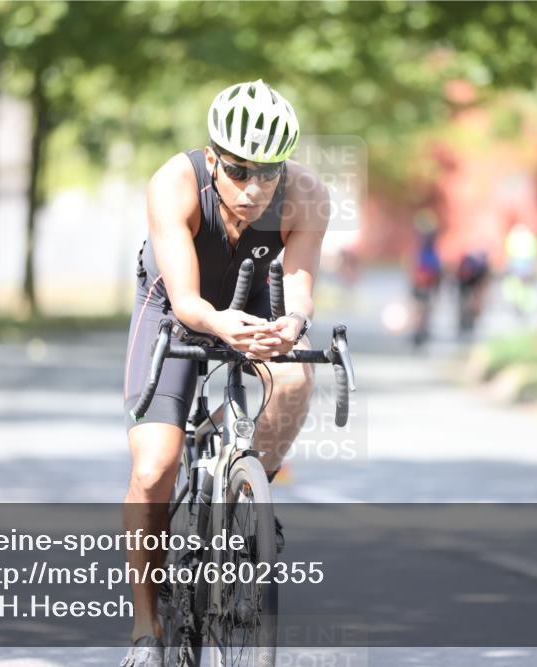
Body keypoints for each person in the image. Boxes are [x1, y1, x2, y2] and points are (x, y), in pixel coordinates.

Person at [120, 79, 329, 666]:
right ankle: (146, 625)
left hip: (251, 296)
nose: (253, 188)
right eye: (238, 170)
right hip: (176, 305)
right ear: (213, 158)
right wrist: (218, 325)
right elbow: (187, 300)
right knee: (155, 463)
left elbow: (300, 291)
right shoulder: (174, 183)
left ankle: (243, 489)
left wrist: (290, 326)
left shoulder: (307, 196)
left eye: (268, 173)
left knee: (294, 378)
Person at [410, 209, 442, 347]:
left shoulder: (424, 247)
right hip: (425, 275)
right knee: (423, 306)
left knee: (423, 306)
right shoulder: (425, 248)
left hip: (426, 275)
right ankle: (420, 329)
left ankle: (421, 329)